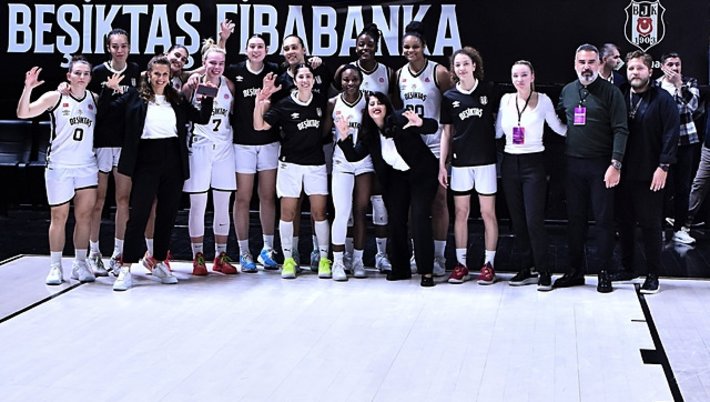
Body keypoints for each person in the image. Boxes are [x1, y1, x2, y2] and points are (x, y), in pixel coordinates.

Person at [100, 54, 214, 291]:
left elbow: (202, 118)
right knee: (139, 214)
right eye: (157, 74)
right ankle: (126, 267)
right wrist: (108, 90)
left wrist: (208, 98)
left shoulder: (177, 98)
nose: (161, 78)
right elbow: (107, 114)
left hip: (172, 159)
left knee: (167, 215)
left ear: (170, 76)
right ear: (149, 74)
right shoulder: (134, 96)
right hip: (145, 159)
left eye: (165, 74)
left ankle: (160, 262)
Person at [336, 92, 439, 287]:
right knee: (396, 221)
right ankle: (400, 268)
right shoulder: (370, 135)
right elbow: (354, 156)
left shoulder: (400, 119)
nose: (375, 106)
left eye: (379, 103)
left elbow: (433, 126)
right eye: (371, 104)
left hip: (422, 174)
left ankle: (426, 271)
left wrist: (420, 123)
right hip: (396, 178)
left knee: (419, 219)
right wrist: (344, 137)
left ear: (386, 106)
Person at [17, 57, 99, 285]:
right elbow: (23, 113)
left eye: (86, 73)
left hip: (86, 166)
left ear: (90, 78)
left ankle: (80, 264)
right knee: (59, 216)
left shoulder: (95, 99)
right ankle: (55, 266)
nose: (81, 77)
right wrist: (28, 88)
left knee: (84, 217)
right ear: (69, 76)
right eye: (77, 73)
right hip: (59, 166)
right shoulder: (55, 97)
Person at [556, 43, 628, 293]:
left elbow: (621, 129)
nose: (586, 67)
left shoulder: (612, 93)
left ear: (599, 64)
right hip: (573, 165)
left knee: (603, 221)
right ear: (575, 65)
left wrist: (615, 163)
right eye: (582, 62)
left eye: (591, 62)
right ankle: (575, 271)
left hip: (602, 165)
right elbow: (559, 120)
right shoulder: (567, 91)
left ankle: (604, 272)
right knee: (575, 221)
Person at [254, 63, 331, 280]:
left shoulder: (320, 102)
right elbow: (259, 126)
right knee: (288, 213)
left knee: (319, 213)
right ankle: (289, 259)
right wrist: (259, 102)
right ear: (295, 81)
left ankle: (324, 258)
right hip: (290, 165)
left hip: (315, 164)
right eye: (301, 77)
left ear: (313, 80)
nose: (305, 80)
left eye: (308, 76)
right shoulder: (284, 105)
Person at [495, 60, 567, 291]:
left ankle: (544, 271)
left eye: (524, 75)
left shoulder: (543, 100)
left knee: (534, 220)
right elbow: (497, 132)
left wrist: (583, 130)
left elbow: (558, 128)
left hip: (534, 164)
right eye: (515, 75)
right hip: (509, 163)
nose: (520, 80)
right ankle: (525, 268)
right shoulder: (505, 100)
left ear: (533, 76)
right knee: (517, 220)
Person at [611, 51, 678, 294]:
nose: (635, 73)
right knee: (624, 223)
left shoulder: (663, 99)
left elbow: (671, 134)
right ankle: (628, 267)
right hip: (622, 172)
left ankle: (652, 274)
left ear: (650, 71)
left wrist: (663, 166)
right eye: (631, 68)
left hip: (651, 173)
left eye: (639, 68)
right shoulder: (619, 95)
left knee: (650, 225)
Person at [333, 23, 395, 273]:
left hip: (376, 146)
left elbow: (392, 107)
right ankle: (347, 257)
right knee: (346, 209)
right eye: (361, 44)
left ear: (377, 46)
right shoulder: (346, 71)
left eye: (370, 44)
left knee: (378, 202)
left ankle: (381, 255)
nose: (365, 48)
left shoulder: (387, 72)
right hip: (348, 150)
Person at [395, 20, 453, 277]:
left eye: (415, 46)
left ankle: (439, 256)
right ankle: (417, 251)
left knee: (439, 200)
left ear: (424, 46)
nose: (411, 51)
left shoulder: (439, 72)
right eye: (406, 47)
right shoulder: (399, 74)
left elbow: (452, 110)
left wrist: (450, 147)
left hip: (436, 142)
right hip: (412, 146)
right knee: (413, 203)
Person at [219, 31, 281, 272]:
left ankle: (268, 249)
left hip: (269, 142)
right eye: (252, 46)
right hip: (242, 144)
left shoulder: (274, 70)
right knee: (242, 197)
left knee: (267, 196)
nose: (256, 50)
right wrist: (223, 40)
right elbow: (215, 64)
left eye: (260, 46)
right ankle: (244, 252)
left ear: (266, 50)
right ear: (246, 50)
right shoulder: (235, 70)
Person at [439, 47, 500, 285]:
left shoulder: (488, 90)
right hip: (460, 162)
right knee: (461, 213)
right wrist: (442, 165)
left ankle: (489, 265)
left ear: (475, 65)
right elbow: (446, 133)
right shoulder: (449, 97)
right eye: (458, 65)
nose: (462, 68)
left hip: (486, 162)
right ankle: (461, 264)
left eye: (466, 63)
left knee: (488, 213)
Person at [273, 34, 331, 271]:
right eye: (286, 48)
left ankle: (321, 254)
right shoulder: (280, 82)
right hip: (290, 155)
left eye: (294, 47)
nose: (290, 51)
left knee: (319, 210)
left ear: (304, 49)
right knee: (290, 208)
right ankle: (291, 255)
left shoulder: (320, 74)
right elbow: (269, 119)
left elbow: (329, 110)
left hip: (316, 155)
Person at [87, 28, 142, 276]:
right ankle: (94, 252)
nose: (120, 50)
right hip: (102, 142)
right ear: (108, 48)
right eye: (115, 46)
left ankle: (118, 254)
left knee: (123, 200)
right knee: (98, 200)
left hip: (125, 143)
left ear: (129, 47)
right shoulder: (98, 72)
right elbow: (90, 101)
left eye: (123, 45)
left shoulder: (135, 71)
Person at [181, 40, 238, 276]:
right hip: (199, 147)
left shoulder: (229, 85)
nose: (216, 67)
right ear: (203, 63)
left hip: (224, 148)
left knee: (223, 204)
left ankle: (220, 256)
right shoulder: (192, 84)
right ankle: (198, 256)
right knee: (198, 204)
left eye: (221, 63)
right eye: (212, 62)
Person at [322, 65, 373, 281]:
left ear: (361, 81)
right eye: (346, 80)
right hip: (341, 162)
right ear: (340, 82)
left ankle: (358, 261)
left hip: (364, 162)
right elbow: (324, 133)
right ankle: (338, 262)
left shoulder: (368, 100)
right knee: (342, 212)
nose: (350, 83)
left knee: (361, 212)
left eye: (354, 79)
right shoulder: (333, 103)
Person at [656, 52, 701, 245]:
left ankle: (680, 228)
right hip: (661, 143)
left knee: (683, 187)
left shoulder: (689, 82)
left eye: (677, 64)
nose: (675, 68)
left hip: (685, 141)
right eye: (670, 64)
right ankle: (658, 228)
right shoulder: (655, 85)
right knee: (661, 187)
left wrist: (679, 85)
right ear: (662, 66)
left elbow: (693, 106)